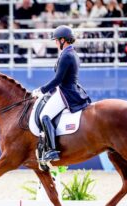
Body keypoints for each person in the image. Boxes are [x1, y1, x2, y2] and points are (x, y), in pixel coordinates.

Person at [31, 25, 91, 162]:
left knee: (45, 116)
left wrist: (42, 90)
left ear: (63, 40)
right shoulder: (71, 53)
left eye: (57, 40)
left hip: (66, 92)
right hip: (67, 89)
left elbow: (58, 79)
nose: (56, 43)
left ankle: (52, 150)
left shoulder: (67, 55)